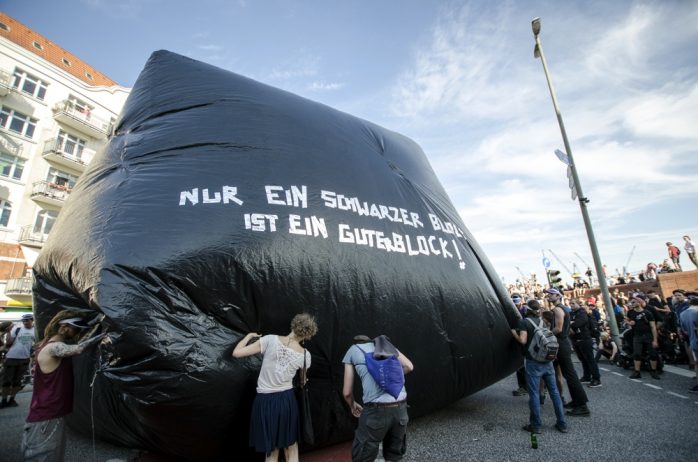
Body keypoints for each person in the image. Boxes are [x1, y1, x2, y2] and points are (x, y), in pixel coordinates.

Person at [232, 313, 317, 462]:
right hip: (286, 402)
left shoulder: (270, 340)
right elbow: (303, 382)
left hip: (264, 402)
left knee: (271, 450)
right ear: (307, 335)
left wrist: (248, 337)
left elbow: (236, 353)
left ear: (294, 324)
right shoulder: (305, 355)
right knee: (291, 447)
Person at [22, 311, 106, 461]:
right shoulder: (53, 348)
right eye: (76, 328)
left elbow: (78, 342)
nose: (78, 332)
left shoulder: (48, 344)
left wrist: (95, 323)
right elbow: (79, 348)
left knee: (52, 455)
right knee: (45, 456)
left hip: (49, 414)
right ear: (64, 327)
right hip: (46, 416)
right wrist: (104, 333)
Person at [342, 335, 414, 462]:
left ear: (356, 343)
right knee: (394, 455)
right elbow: (409, 366)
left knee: (363, 455)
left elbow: (347, 392)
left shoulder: (353, 349)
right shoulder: (387, 346)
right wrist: (389, 380)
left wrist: (352, 405)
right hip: (400, 407)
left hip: (376, 411)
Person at [510, 300, 567, 434]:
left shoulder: (524, 322)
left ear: (527, 309)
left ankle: (535, 425)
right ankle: (562, 423)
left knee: (534, 393)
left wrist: (514, 333)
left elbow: (523, 340)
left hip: (533, 361)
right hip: (547, 361)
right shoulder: (543, 322)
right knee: (554, 393)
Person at [544, 288, 590, 416]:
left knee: (570, 375)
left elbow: (558, 329)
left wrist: (545, 334)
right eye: (547, 294)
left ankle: (582, 406)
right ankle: (576, 401)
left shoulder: (558, 309)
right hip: (563, 343)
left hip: (561, 344)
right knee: (568, 374)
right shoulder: (563, 308)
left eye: (550, 294)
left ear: (558, 296)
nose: (548, 296)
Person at [1, 313, 35, 408]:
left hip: (24, 359)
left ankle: (12, 399)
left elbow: (37, 343)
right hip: (11, 358)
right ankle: (4, 400)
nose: (25, 322)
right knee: (6, 381)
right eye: (24, 320)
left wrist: (34, 352)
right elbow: (8, 342)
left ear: (32, 320)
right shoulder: (17, 329)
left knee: (17, 381)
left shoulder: (34, 331)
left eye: (27, 320)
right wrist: (8, 332)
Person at [626, 294, 660, 380]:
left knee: (652, 354)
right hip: (637, 336)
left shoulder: (647, 313)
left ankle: (654, 371)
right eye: (631, 302)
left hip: (648, 335)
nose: (632, 303)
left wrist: (655, 340)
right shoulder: (630, 312)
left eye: (634, 302)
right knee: (637, 354)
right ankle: (637, 372)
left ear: (639, 302)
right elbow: (627, 319)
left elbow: (653, 327)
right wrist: (629, 323)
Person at [569, 299, 601, 388]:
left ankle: (596, 379)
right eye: (570, 303)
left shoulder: (582, 312)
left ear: (578, 304)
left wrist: (571, 323)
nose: (571, 305)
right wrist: (571, 323)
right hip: (576, 339)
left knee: (590, 359)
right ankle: (587, 377)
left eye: (573, 303)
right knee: (583, 359)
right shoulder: (571, 313)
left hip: (585, 339)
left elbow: (578, 323)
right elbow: (568, 323)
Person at [510, 293, 529, 397]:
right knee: (520, 365)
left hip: (528, 340)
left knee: (533, 365)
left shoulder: (526, 310)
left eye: (517, 303)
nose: (516, 305)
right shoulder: (511, 311)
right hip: (518, 341)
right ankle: (523, 387)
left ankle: (542, 387)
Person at [679, 297, 698, 393]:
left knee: (697, 363)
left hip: (693, 342)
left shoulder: (682, 314)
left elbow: (685, 331)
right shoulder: (696, 312)